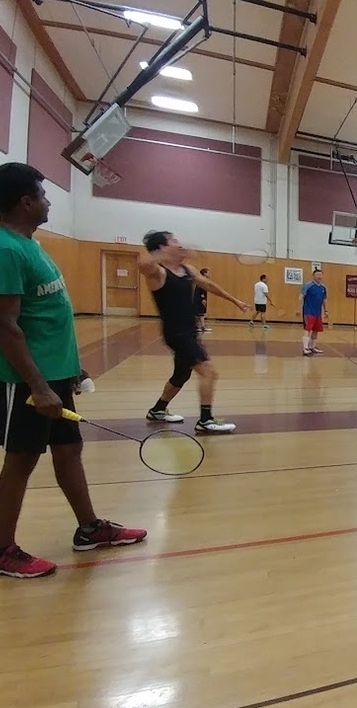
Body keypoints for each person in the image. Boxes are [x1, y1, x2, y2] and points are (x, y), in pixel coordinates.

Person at [0, 162, 146, 578]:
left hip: (55, 374)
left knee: (68, 450)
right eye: (42, 195)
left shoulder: (30, 243)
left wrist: (71, 366)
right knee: (21, 461)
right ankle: (2, 548)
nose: (48, 201)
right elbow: (6, 327)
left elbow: (45, 316)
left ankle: (89, 529)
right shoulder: (7, 250)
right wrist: (39, 386)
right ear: (25, 202)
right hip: (27, 382)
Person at [140, 232, 246, 433]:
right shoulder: (159, 273)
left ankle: (158, 410)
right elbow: (143, 265)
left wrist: (235, 301)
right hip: (177, 334)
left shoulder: (187, 269)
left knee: (181, 375)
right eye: (174, 242)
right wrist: (160, 254)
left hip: (189, 331)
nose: (180, 244)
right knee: (209, 372)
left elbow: (209, 285)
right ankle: (205, 420)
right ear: (162, 247)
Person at [300, 269, 329, 356]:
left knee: (316, 330)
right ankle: (305, 348)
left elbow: (324, 299)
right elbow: (301, 296)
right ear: (313, 276)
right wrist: (298, 309)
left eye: (321, 275)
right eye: (317, 275)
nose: (319, 276)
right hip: (308, 311)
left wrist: (326, 310)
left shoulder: (323, 287)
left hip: (318, 312)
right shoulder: (308, 285)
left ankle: (312, 347)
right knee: (307, 329)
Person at [194, 268, 211, 333]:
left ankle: (200, 326)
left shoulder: (204, 280)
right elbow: (200, 290)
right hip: (199, 299)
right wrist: (202, 298)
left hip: (201, 298)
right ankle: (199, 327)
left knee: (200, 314)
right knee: (199, 314)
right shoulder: (201, 281)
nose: (209, 274)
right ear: (204, 273)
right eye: (207, 272)